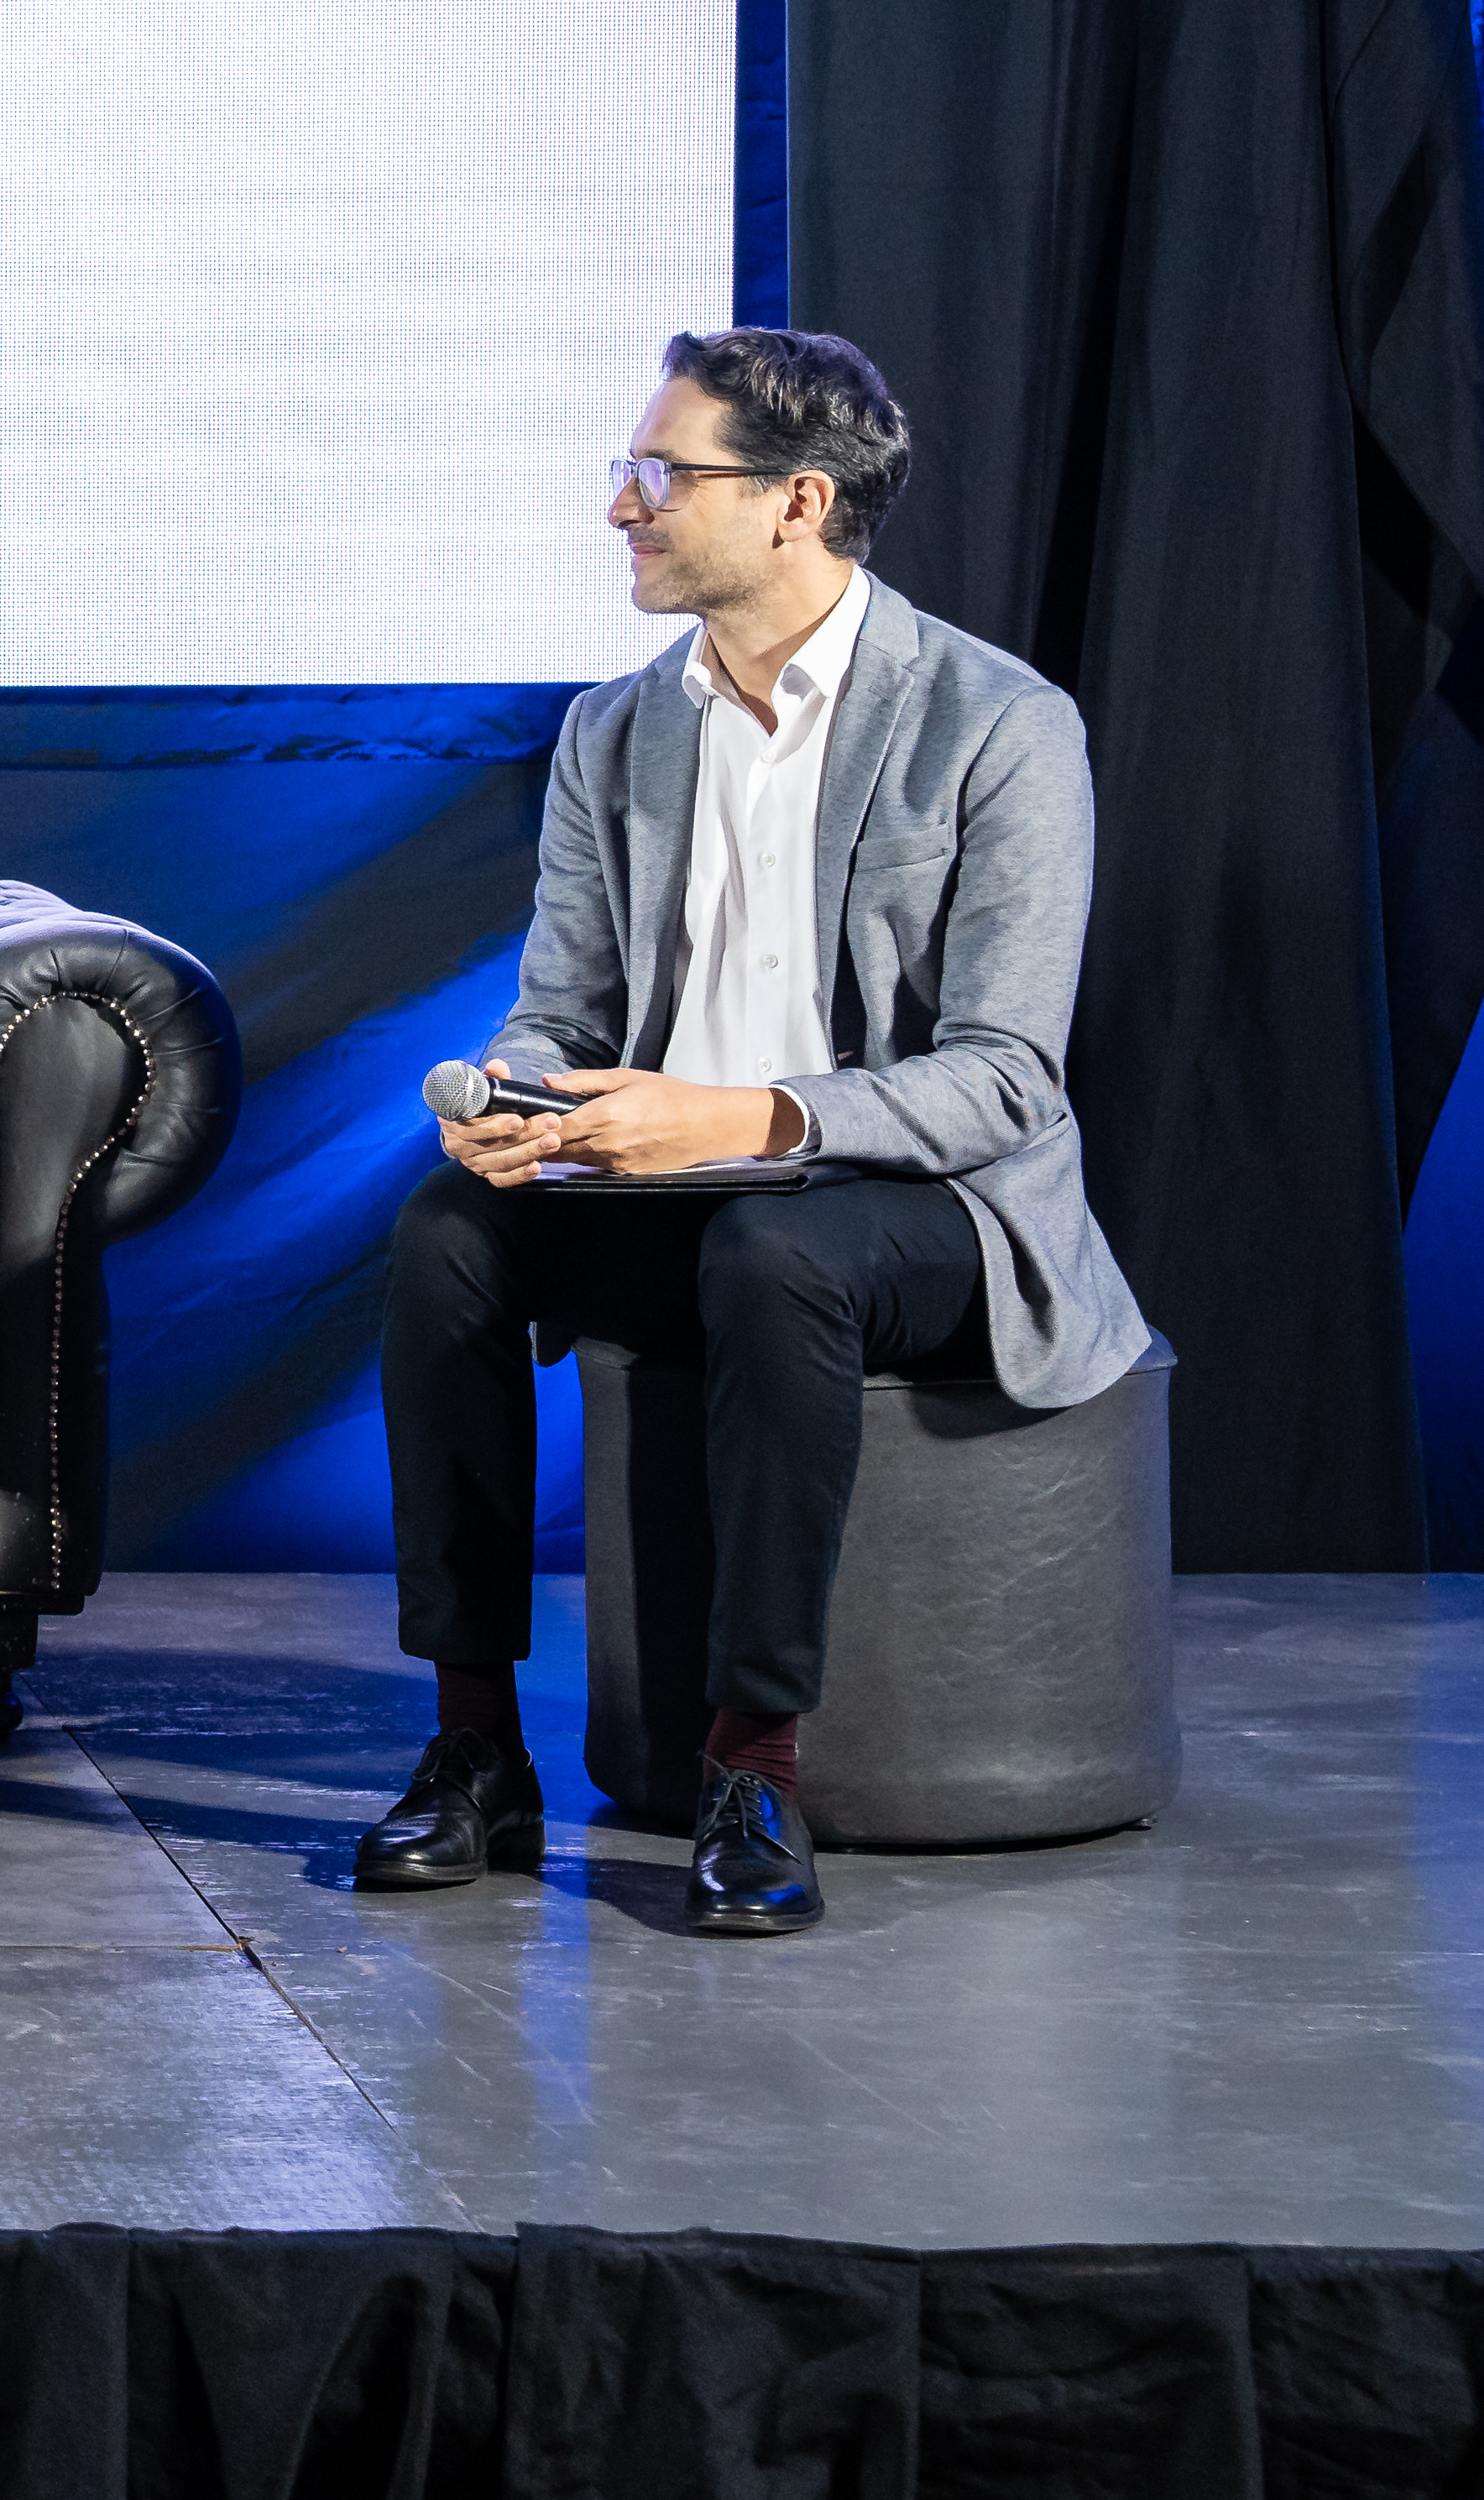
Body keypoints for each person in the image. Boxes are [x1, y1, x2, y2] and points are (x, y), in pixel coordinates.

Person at [358, 328, 1150, 1938]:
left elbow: (1004, 1079)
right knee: (447, 1235)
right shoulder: (615, 731)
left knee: (774, 1245)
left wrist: (742, 1116)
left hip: (919, 1201)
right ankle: (473, 1744)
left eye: (663, 475)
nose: (623, 508)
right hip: (671, 1176)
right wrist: (522, 1104)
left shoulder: (998, 724)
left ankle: (751, 1762)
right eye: (625, 473)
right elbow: (559, 1009)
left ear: (798, 501)